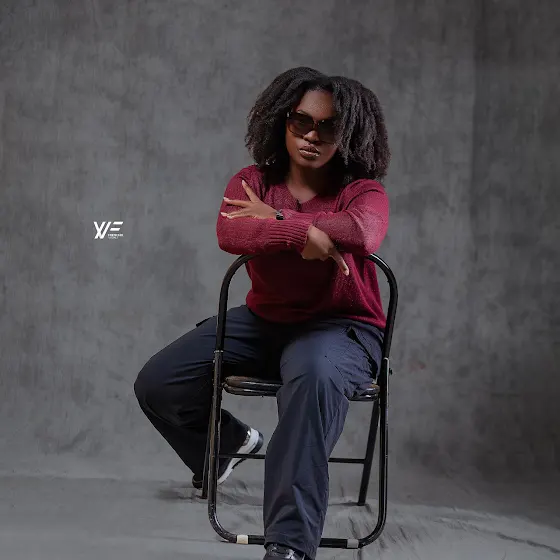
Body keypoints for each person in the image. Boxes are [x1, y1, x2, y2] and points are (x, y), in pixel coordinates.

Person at [134, 66, 391, 560]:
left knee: (313, 378)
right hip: (265, 322)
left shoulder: (363, 191)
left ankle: (289, 547)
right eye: (301, 121)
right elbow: (231, 231)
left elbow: (363, 232)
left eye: (329, 126)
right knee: (158, 382)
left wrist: (274, 218)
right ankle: (227, 445)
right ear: (282, 120)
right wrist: (302, 233)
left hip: (341, 329)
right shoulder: (252, 180)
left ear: (349, 133)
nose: (312, 136)